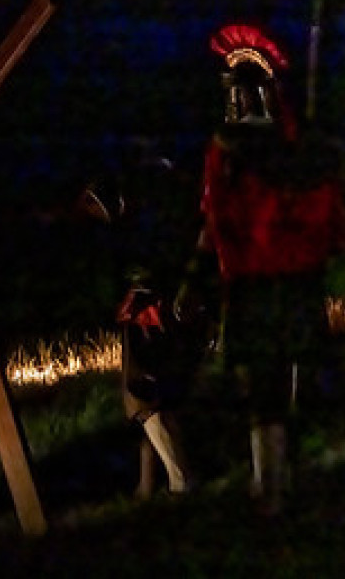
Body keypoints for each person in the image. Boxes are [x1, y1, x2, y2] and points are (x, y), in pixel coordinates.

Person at [175, 24, 345, 516]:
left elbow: (321, 208)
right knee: (267, 384)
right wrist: (196, 276)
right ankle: (272, 487)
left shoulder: (297, 146)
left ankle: (277, 485)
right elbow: (216, 220)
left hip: (280, 279)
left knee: (275, 384)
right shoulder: (231, 151)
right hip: (261, 280)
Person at [115, 153, 213, 498]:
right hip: (164, 304)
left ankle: (181, 480)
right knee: (158, 394)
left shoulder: (158, 211)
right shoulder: (176, 203)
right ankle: (151, 485)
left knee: (144, 393)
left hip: (156, 309)